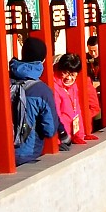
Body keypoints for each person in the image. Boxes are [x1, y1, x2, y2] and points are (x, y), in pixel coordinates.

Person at [10, 36, 64, 165]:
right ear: (43, 60)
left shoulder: (5, 81)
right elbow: (49, 129)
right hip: (29, 152)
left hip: (3, 152)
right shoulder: (42, 90)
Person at [52, 53, 95, 145]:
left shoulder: (73, 85)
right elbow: (56, 115)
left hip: (70, 134)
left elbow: (77, 110)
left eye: (72, 74)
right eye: (65, 73)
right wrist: (59, 140)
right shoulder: (54, 86)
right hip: (62, 137)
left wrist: (80, 135)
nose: (69, 78)